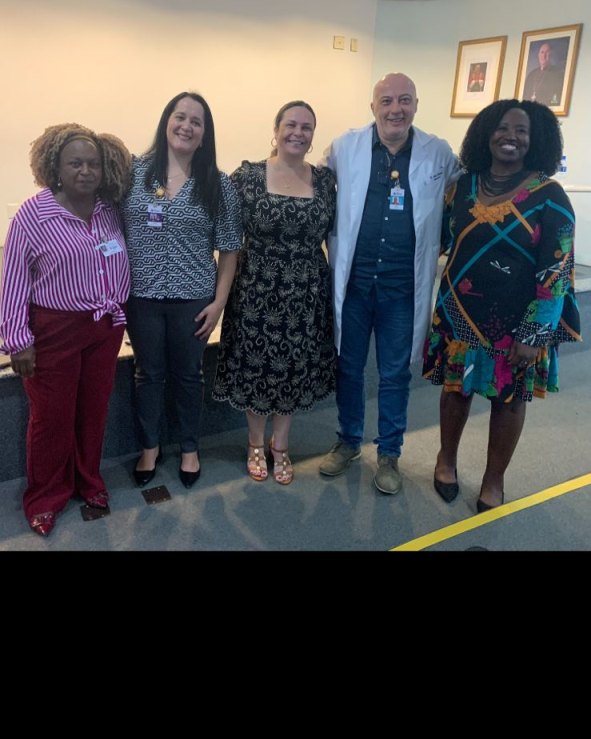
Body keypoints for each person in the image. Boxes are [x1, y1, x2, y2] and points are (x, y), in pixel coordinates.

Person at [423, 99, 581, 512]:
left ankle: (494, 480)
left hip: (516, 323)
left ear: (536, 139)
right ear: (486, 134)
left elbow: (558, 270)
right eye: (502, 128)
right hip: (459, 312)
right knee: (455, 391)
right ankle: (445, 460)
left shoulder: (550, 196)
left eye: (521, 131)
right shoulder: (462, 187)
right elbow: (438, 239)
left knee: (508, 400)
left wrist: (534, 333)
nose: (510, 137)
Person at [318, 73, 460, 495]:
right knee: (348, 366)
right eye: (386, 101)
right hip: (355, 283)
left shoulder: (437, 152)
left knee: (395, 373)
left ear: (416, 104)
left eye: (404, 100)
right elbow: (313, 186)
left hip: (402, 288)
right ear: (373, 106)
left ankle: (389, 453)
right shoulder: (345, 147)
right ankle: (348, 441)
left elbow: (466, 192)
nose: (395, 109)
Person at [0, 123, 132, 536]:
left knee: (93, 410)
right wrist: (17, 339)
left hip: (104, 329)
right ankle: (44, 497)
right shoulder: (34, 214)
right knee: (52, 418)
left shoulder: (110, 209)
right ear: (55, 167)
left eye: (93, 164)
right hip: (54, 331)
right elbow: (13, 279)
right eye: (75, 163)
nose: (85, 171)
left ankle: (88, 481)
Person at [120, 92, 242, 489]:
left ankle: (190, 448)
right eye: (180, 117)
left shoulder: (218, 184)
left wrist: (219, 302)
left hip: (194, 298)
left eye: (196, 121)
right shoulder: (133, 174)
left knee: (190, 375)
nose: (186, 126)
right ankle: (149, 447)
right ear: (166, 121)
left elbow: (229, 248)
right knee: (147, 373)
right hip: (141, 296)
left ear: (205, 134)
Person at [212, 101, 337, 484]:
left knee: (293, 367)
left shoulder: (325, 181)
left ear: (313, 136)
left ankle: (280, 445)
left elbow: (335, 235)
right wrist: (218, 296)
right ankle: (254, 443)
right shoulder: (247, 177)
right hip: (256, 290)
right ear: (276, 129)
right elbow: (228, 239)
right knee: (257, 366)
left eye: (306, 127)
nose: (298, 133)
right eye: (291, 125)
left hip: (306, 291)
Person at [523, 41, 565, 106]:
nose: (544, 56)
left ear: (551, 55)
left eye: (547, 52)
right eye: (542, 52)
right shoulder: (531, 75)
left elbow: (556, 100)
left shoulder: (558, 74)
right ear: (538, 55)